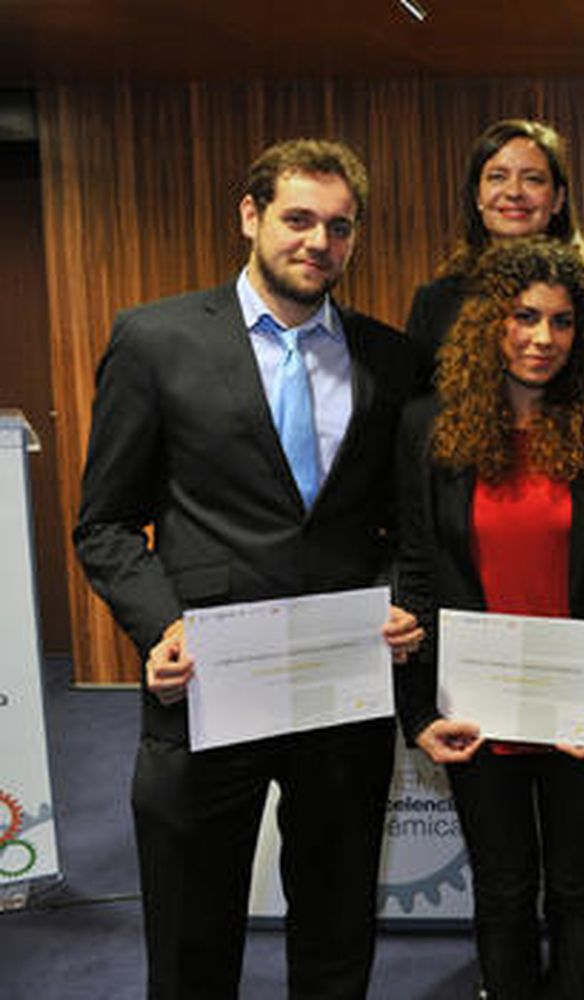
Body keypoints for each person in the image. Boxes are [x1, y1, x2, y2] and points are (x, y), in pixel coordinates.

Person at [73, 138, 422, 999]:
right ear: (251, 216)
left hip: (341, 688)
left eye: (339, 227)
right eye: (298, 219)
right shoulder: (154, 341)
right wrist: (160, 627)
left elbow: (409, 525)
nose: (318, 242)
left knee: (338, 930)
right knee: (194, 937)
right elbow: (107, 524)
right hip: (205, 686)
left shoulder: (391, 361)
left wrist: (406, 605)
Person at [392, 237, 584, 999]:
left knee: (581, 883)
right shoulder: (427, 428)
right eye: (524, 317)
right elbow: (415, 568)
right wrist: (415, 711)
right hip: (474, 706)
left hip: (575, 705)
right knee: (503, 888)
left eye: (563, 322)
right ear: (488, 326)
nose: (543, 339)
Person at [406, 118, 584, 390]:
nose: (514, 192)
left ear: (558, 199)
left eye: (532, 179)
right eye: (498, 177)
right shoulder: (435, 301)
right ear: (477, 197)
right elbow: (418, 412)